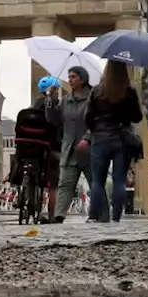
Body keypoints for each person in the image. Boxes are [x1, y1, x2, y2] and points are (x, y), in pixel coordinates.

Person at [84, 60, 143, 223]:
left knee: (98, 181)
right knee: (119, 181)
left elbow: (88, 116)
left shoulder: (97, 91)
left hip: (100, 139)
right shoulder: (129, 92)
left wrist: (96, 130)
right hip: (121, 139)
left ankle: (93, 216)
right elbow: (137, 117)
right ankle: (116, 217)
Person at [48, 66, 95, 223]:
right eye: (69, 77)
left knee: (95, 184)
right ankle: (59, 216)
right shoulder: (65, 101)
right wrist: (51, 100)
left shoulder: (92, 99)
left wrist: (87, 138)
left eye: (74, 77)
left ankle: (98, 215)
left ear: (82, 80)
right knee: (65, 184)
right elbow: (53, 120)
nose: (70, 80)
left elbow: (95, 121)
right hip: (69, 150)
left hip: (89, 150)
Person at [31, 76, 63, 220]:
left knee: (34, 176)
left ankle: (30, 201)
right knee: (54, 185)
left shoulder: (33, 107)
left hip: (33, 148)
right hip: (53, 148)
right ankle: (52, 215)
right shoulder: (56, 105)